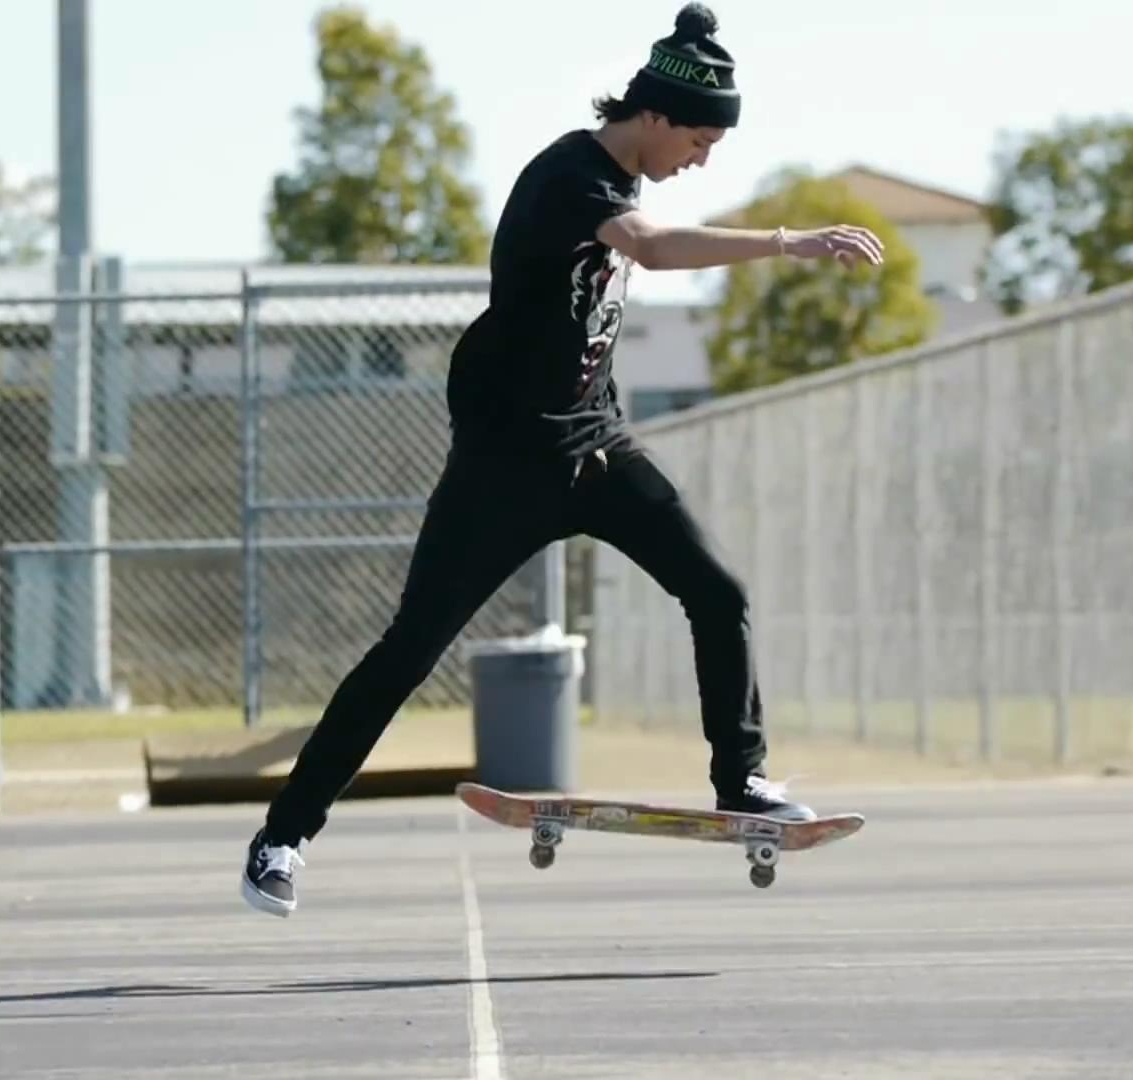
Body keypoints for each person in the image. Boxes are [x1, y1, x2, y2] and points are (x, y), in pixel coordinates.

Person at [242, 1, 884, 917]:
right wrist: (788, 241)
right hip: (504, 468)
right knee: (408, 650)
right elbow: (652, 250)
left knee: (718, 593)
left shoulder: (618, 181)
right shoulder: (570, 176)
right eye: (698, 142)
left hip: (597, 449)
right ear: (654, 117)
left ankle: (741, 783)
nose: (699, 161)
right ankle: (283, 837)